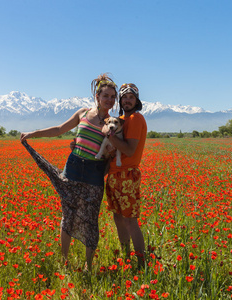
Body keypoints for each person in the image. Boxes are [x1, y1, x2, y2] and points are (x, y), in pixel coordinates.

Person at [20, 74, 117, 271]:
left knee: (91, 219)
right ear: (97, 96)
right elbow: (59, 129)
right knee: (68, 215)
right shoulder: (83, 113)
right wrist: (33, 133)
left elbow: (111, 153)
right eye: (106, 95)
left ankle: (88, 266)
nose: (109, 100)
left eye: (112, 97)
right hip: (72, 169)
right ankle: (64, 261)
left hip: (93, 173)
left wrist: (109, 155)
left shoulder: (112, 123)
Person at [104, 83, 147, 267]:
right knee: (118, 218)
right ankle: (126, 255)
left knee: (130, 220)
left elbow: (129, 150)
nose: (127, 100)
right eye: (124, 97)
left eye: (131, 97)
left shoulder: (136, 119)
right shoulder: (120, 120)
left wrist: (110, 136)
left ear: (136, 100)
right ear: (120, 101)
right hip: (114, 176)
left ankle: (142, 263)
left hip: (127, 176)